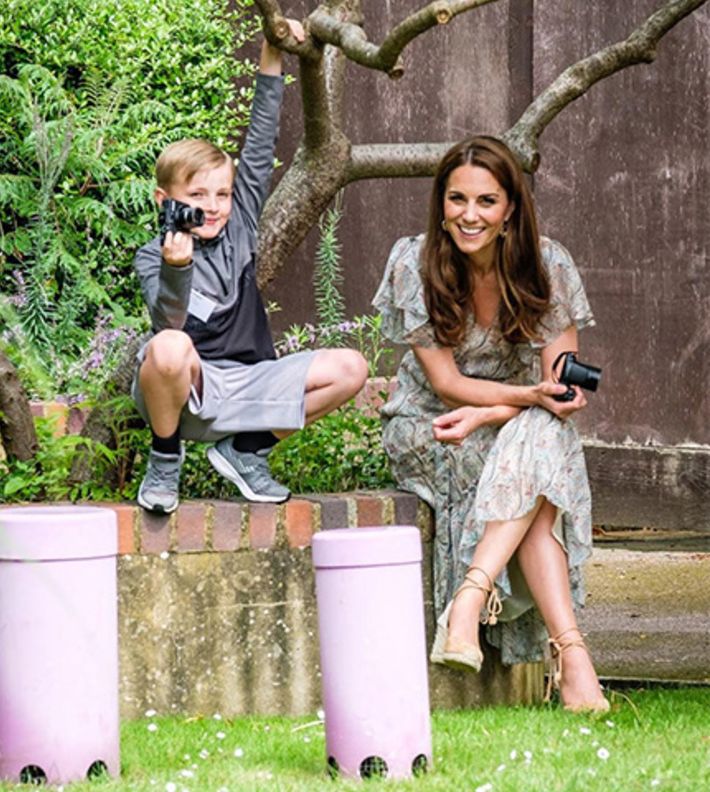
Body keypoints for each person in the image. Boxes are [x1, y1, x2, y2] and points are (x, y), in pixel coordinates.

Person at [372, 136, 608, 713]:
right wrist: (517, 401)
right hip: (433, 421)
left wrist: (504, 408)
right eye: (457, 200)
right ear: (441, 201)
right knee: (540, 457)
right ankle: (573, 659)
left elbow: (559, 389)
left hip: (511, 420)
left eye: (486, 201)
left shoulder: (547, 264)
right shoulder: (414, 260)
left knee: (542, 440)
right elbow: (449, 385)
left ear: (510, 209)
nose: (469, 215)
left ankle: (471, 600)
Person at [132, 21, 368, 514]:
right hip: (190, 396)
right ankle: (165, 458)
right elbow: (169, 327)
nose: (214, 206)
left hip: (251, 384)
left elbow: (261, 138)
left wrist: (272, 50)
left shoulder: (239, 226)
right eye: (197, 196)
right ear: (164, 199)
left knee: (351, 368)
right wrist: (178, 269)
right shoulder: (154, 255)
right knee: (169, 345)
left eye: (222, 193)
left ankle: (247, 450)